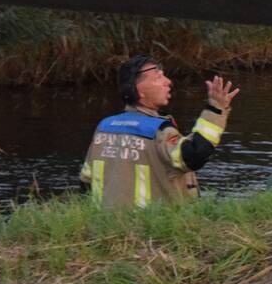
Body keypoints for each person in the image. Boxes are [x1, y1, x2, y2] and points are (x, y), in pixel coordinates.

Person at [80, 55, 238, 209]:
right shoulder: (158, 130)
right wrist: (215, 110)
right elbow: (193, 156)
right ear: (139, 90)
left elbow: (86, 181)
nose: (168, 82)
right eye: (158, 78)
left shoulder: (104, 127)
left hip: (106, 226)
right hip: (151, 228)